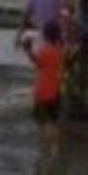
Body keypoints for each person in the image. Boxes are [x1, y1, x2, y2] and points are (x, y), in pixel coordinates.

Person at [24, 20, 63, 154]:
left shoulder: (44, 51)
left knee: (43, 123)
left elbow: (37, 62)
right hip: (56, 90)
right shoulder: (59, 52)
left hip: (42, 91)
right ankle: (55, 149)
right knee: (54, 121)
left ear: (45, 35)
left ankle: (45, 150)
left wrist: (28, 50)